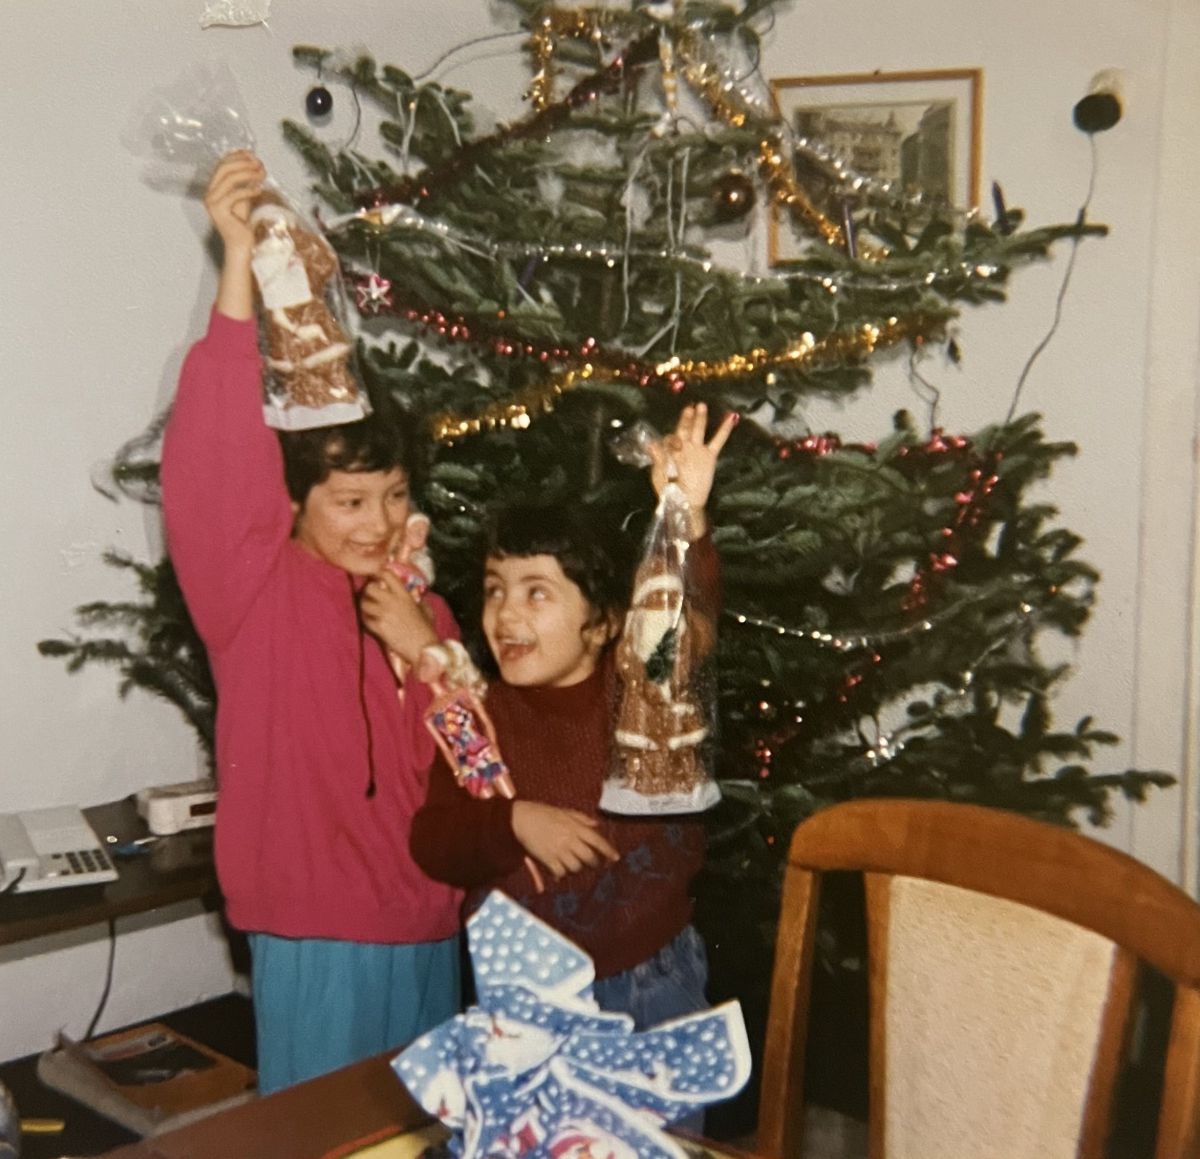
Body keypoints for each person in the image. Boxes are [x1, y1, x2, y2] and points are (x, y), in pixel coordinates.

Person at [161, 151, 463, 1094]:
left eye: (394, 496)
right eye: (347, 502)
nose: (374, 525)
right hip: (317, 931)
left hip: (426, 926)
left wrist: (429, 655)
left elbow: (480, 765)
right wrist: (239, 265)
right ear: (293, 502)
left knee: (426, 1137)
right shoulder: (252, 590)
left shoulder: (425, 603)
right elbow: (215, 463)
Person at [410, 403, 735, 1036]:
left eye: (537, 592)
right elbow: (434, 840)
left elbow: (683, 613)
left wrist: (685, 515)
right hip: (522, 997)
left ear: (605, 624)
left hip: (647, 981)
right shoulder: (482, 718)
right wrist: (513, 821)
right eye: (495, 589)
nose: (506, 614)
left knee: (653, 1137)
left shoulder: (637, 692)